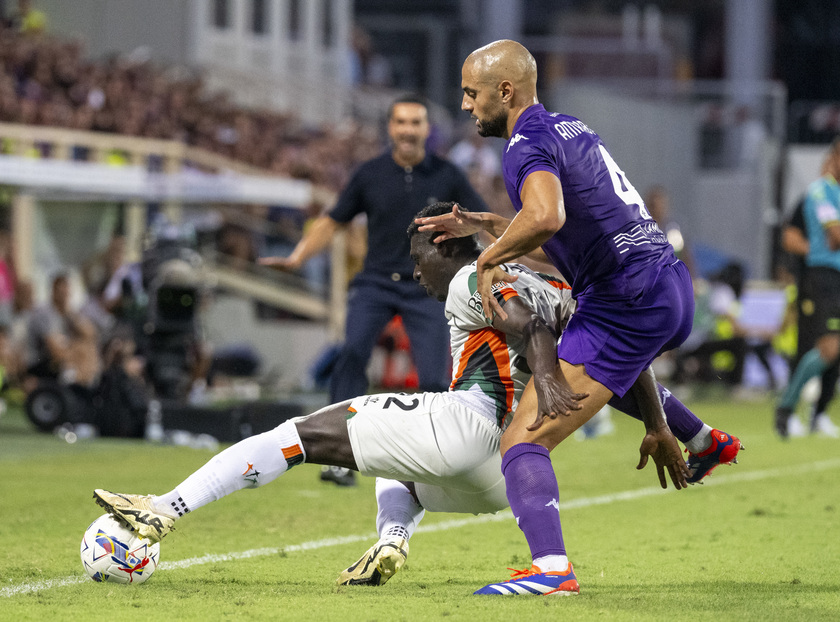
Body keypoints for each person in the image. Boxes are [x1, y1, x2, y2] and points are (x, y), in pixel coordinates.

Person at [93, 203, 736, 594]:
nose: (412, 274)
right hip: (502, 471)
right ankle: (393, 539)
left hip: (472, 424)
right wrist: (686, 430)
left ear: (444, 249)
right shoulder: (545, 283)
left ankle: (164, 510)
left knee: (298, 435)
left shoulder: (469, 279)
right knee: (387, 456)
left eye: (416, 257)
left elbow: (525, 327)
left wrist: (542, 374)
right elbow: (623, 366)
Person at [415, 40, 741, 595]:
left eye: (472, 93)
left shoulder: (522, 146)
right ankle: (703, 439)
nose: (467, 105)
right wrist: (490, 225)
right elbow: (562, 241)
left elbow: (546, 215)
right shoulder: (569, 127)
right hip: (663, 285)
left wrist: (489, 257)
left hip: (626, 299)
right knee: (598, 379)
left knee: (522, 441)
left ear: (505, 91)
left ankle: (550, 570)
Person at [261, 94, 489, 486]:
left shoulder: (447, 175)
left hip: (425, 290)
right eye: (401, 122)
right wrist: (299, 257)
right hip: (376, 283)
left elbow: (482, 220)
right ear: (390, 128)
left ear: (426, 130)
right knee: (350, 356)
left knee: (436, 377)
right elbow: (332, 221)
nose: (408, 130)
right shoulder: (369, 173)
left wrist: (501, 257)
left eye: (416, 123)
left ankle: (437, 461)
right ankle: (336, 459)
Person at [775, 138, 840, 438]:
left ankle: (817, 415)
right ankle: (786, 410)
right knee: (824, 347)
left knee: (834, 349)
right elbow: (834, 236)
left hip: (834, 277)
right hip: (822, 277)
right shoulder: (820, 192)